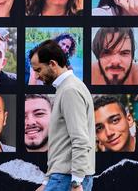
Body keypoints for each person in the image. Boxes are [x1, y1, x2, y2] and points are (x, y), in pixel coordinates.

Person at [30, 40, 94, 191]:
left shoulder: (69, 90)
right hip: (63, 177)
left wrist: (76, 182)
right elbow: (62, 143)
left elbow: (80, 139)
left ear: (52, 64)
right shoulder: (67, 88)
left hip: (68, 179)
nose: (37, 76)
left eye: (38, 70)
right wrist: (47, 181)